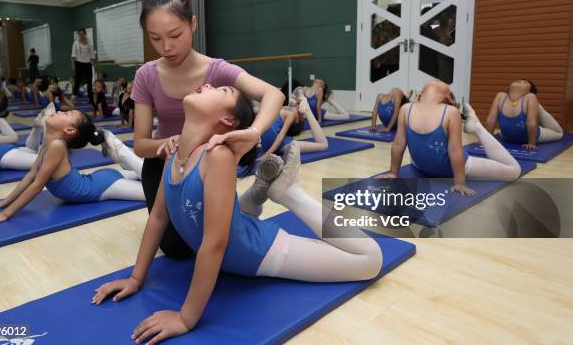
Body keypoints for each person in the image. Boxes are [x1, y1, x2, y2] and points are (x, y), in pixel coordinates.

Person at [91, 84, 383, 343]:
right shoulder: (175, 153)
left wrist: (186, 317)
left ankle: (289, 194)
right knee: (234, 216)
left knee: (370, 260)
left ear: (228, 121)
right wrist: (136, 278)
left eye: (222, 90)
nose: (206, 84)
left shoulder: (217, 157)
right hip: (237, 237)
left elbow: (215, 244)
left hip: (261, 251)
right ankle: (257, 195)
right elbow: (157, 218)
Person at [131, 0, 285, 259]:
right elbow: (140, 144)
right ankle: (247, 203)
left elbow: (274, 94)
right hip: (164, 165)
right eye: (155, 38)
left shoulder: (217, 70)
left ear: (192, 24)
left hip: (205, 167)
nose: (166, 47)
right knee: (177, 250)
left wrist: (253, 132)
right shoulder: (146, 75)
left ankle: (247, 203)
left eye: (175, 35)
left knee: (215, 239)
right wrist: (164, 144)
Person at [0, 112, 146, 228]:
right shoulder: (49, 144)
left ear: (69, 130)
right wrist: (5, 201)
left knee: (155, 192)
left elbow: (37, 185)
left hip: (104, 187)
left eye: (67, 114)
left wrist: (5, 214)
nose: (61, 111)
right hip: (97, 181)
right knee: (146, 178)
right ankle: (124, 156)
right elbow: (31, 175)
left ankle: (120, 150)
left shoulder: (56, 146)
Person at [378, 80, 522, 195]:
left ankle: (477, 127)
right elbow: (398, 144)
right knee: (514, 171)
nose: (435, 80)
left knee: (514, 171)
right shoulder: (406, 109)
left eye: (438, 82)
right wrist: (393, 172)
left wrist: (459, 183)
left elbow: (455, 151)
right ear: (420, 95)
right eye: (433, 82)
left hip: (450, 168)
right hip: (421, 164)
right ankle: (476, 127)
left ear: (449, 98)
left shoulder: (450, 112)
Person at [485, 79, 563, 148]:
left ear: (528, 91)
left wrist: (531, 143)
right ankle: (536, 106)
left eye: (525, 82)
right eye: (518, 80)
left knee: (559, 133)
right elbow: (490, 120)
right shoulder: (500, 96)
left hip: (524, 136)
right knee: (559, 133)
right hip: (507, 136)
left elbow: (531, 123)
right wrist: (487, 140)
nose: (521, 81)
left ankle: (536, 106)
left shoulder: (530, 97)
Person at [260, 96, 328, 156]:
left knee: (323, 145)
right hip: (270, 144)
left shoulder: (290, 114)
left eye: (297, 107)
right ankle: (307, 109)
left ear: (296, 119)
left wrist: (267, 154)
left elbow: (280, 136)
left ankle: (308, 110)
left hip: (278, 145)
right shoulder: (282, 109)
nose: (295, 106)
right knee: (323, 145)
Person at [71, 28, 95, 99]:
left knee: (89, 80)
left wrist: (94, 64)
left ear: (85, 34)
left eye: (82, 34)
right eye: (79, 34)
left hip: (88, 63)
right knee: (78, 79)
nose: (81, 35)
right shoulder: (75, 43)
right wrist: (73, 65)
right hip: (79, 63)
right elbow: (73, 55)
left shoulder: (90, 43)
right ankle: (74, 94)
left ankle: (90, 96)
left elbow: (92, 55)